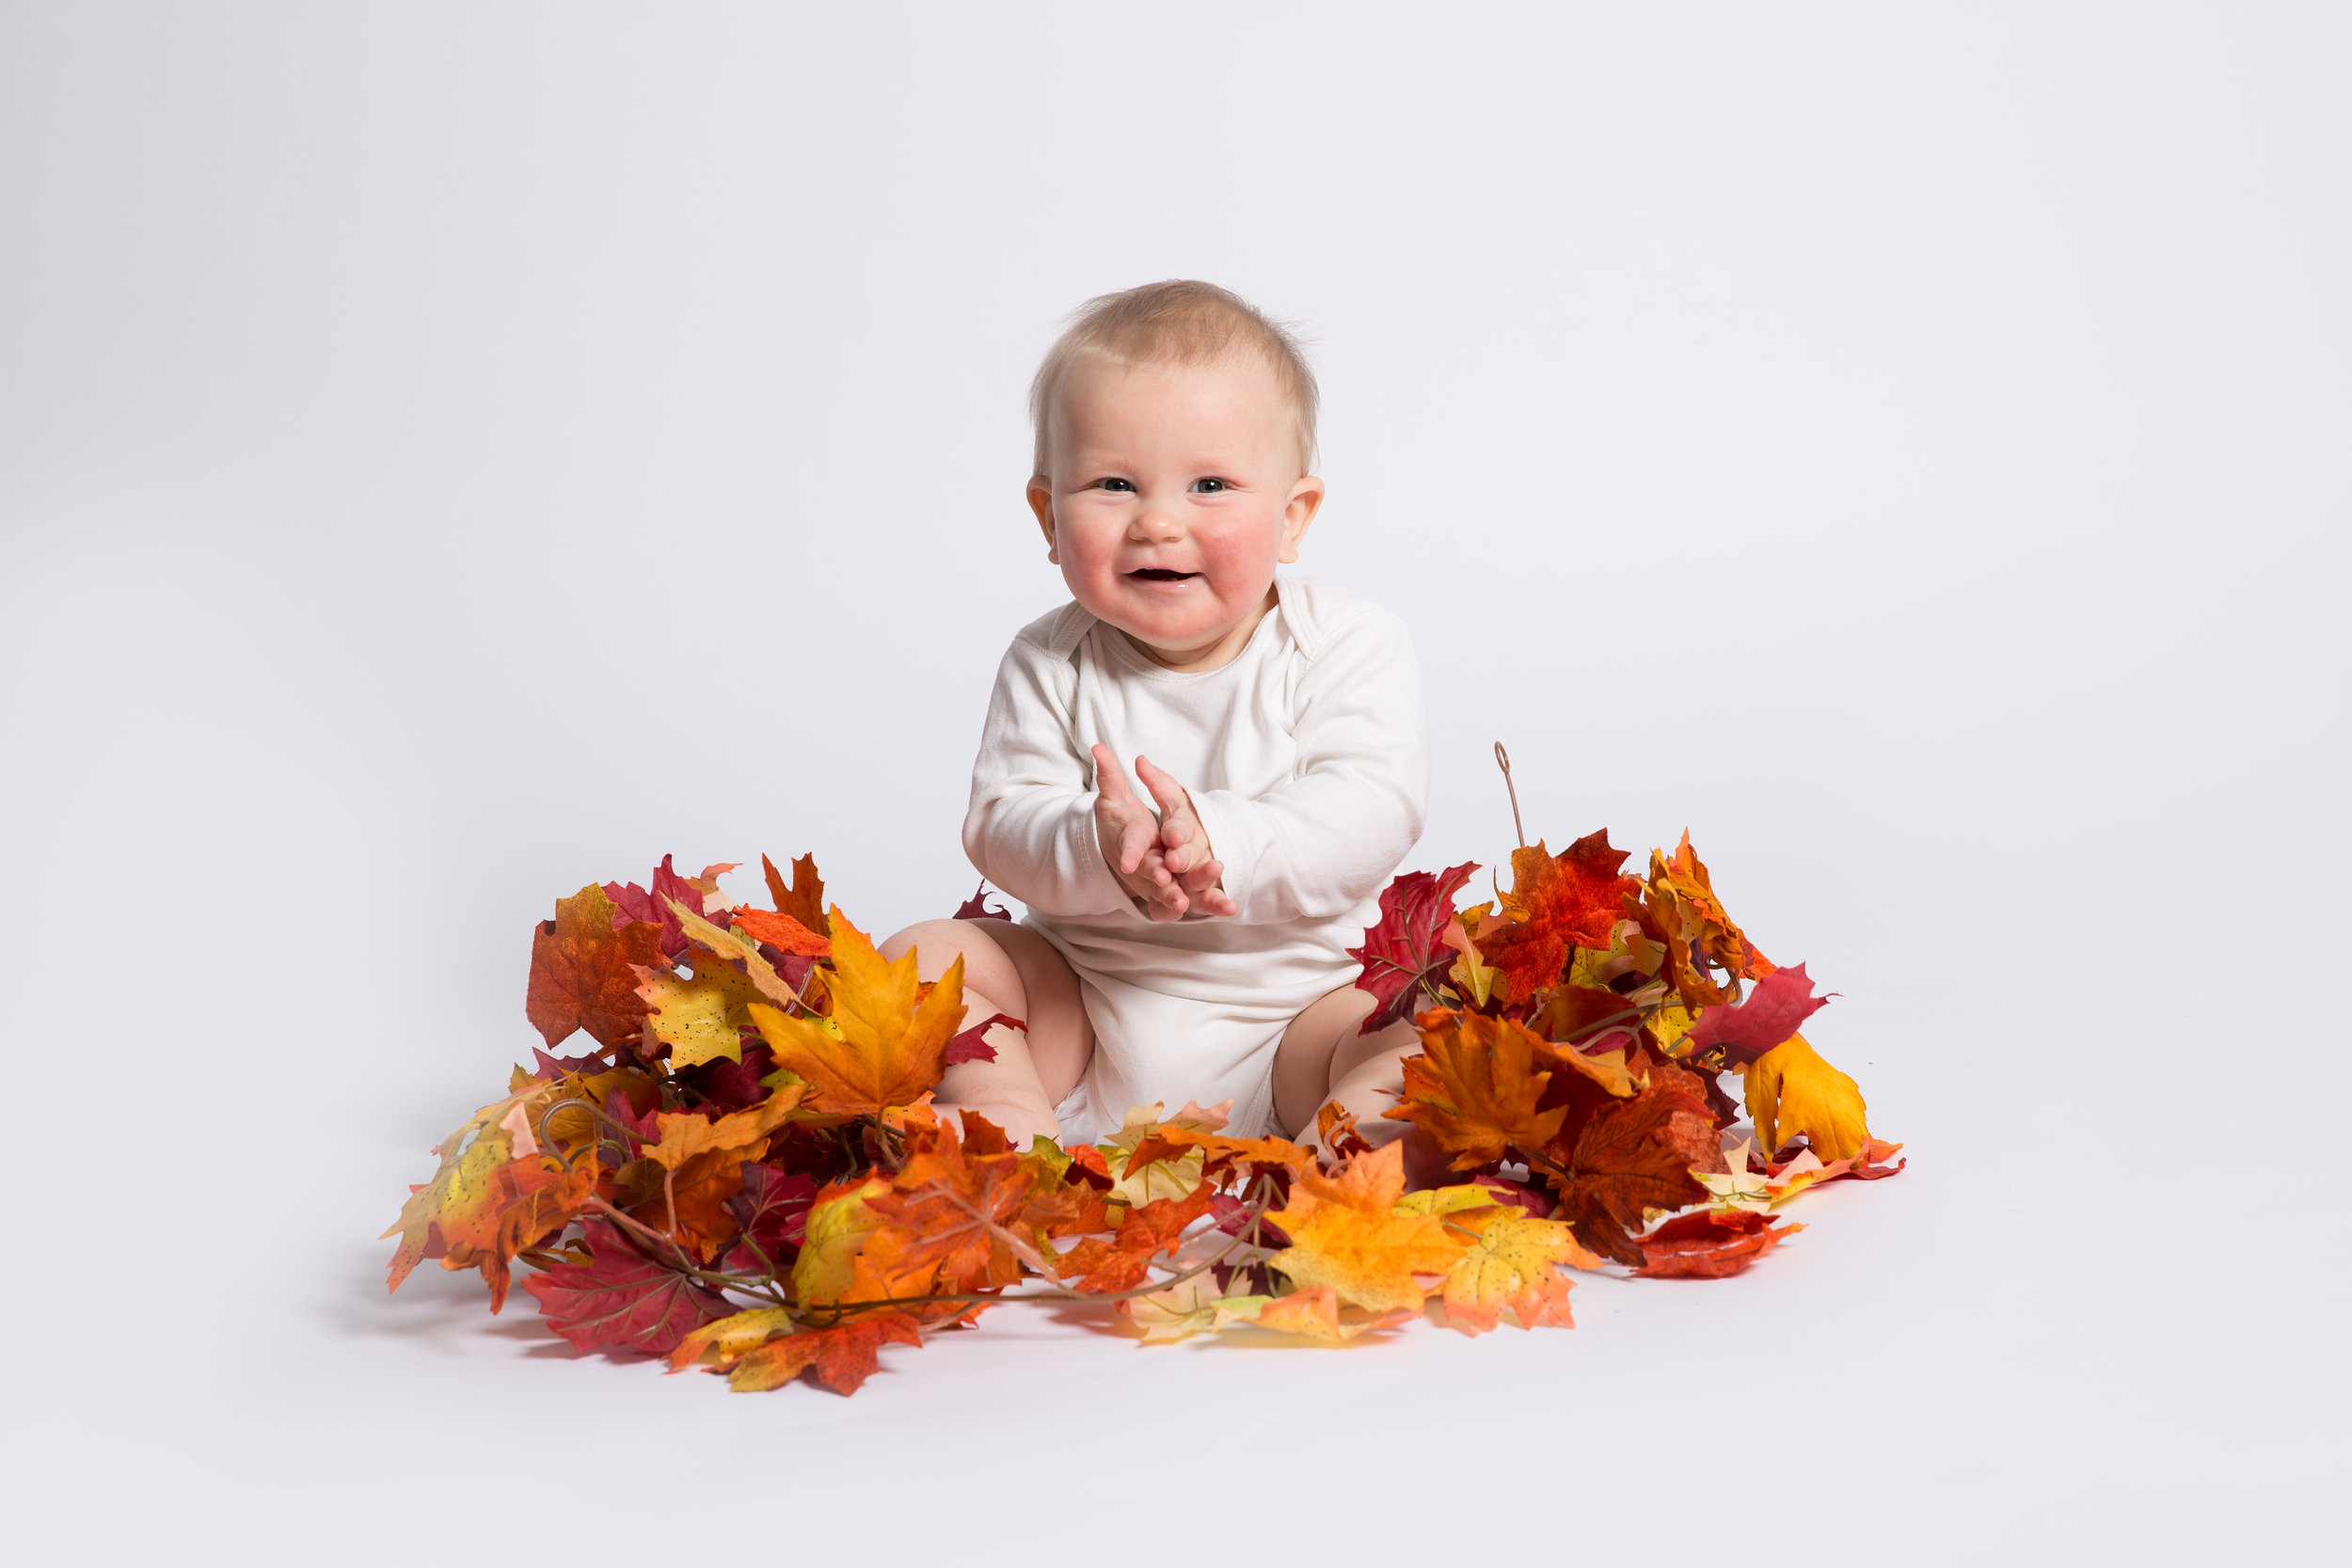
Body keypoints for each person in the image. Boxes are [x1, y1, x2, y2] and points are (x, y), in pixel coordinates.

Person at [880, 280, 1429, 1156]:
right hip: (1087, 1008)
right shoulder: (1049, 658)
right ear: (1047, 516)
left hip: (1303, 1012)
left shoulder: (1344, 642)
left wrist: (1227, 839)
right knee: (925, 958)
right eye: (1113, 484)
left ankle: (1342, 1163)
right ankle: (1004, 1123)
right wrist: (1102, 849)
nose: (1159, 521)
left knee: (1424, 1028)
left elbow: (1372, 806)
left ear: (1293, 516)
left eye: (1210, 484)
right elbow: (999, 823)